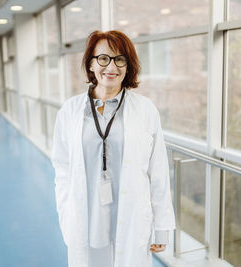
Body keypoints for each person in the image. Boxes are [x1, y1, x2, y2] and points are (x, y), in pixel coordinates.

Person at [51, 30, 176, 267]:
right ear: (90, 63)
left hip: (130, 218)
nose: (111, 66)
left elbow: (158, 171)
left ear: (128, 66)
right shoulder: (69, 111)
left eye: (120, 59)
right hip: (87, 217)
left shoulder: (145, 110)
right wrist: (66, 217)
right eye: (103, 58)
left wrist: (162, 227)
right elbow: (62, 168)